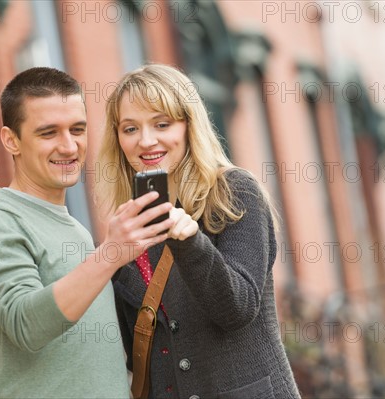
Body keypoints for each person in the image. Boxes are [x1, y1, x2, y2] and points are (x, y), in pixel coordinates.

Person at [0, 67, 176, 399]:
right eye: (48, 133)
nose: (69, 146)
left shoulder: (75, 229)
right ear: (11, 140)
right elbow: (25, 324)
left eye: (77, 129)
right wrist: (110, 255)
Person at [97, 64, 301, 398]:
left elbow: (237, 308)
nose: (146, 141)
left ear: (189, 125)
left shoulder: (233, 191)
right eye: (130, 128)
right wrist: (111, 260)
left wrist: (190, 241)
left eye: (162, 124)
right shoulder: (128, 224)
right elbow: (136, 348)